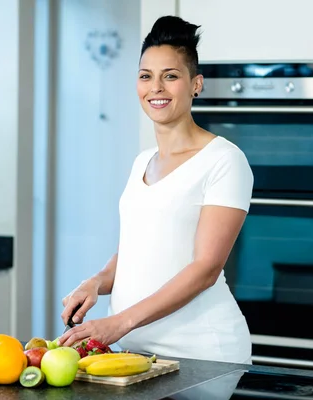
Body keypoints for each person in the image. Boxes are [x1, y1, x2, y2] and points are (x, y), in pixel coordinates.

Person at [58, 15, 254, 364]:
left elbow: (206, 268)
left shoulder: (224, 160)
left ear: (196, 84)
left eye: (171, 76)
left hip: (201, 355)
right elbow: (135, 250)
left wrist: (118, 323)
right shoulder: (142, 162)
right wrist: (97, 282)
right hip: (136, 352)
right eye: (146, 76)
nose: (156, 88)